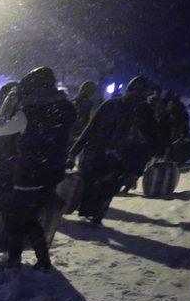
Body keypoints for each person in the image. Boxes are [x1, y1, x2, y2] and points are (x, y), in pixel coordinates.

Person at [0, 66, 76, 271]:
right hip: (52, 171)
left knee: (19, 216)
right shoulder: (65, 109)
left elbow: (0, 128)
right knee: (30, 215)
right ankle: (40, 259)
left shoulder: (29, 114)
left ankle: (19, 258)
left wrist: (8, 102)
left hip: (29, 172)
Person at [67, 75, 163, 225]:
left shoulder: (141, 111)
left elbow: (147, 141)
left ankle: (94, 215)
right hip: (103, 154)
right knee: (95, 187)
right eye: (134, 90)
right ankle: (91, 213)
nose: (135, 94)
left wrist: (138, 168)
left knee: (104, 188)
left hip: (115, 157)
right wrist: (73, 151)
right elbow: (91, 128)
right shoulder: (113, 105)